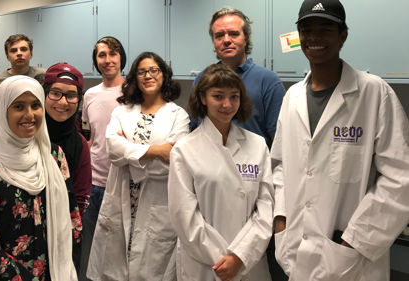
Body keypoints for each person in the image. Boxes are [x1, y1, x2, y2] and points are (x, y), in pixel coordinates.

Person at [272, 0, 409, 280]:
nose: (314, 38)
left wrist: (352, 241)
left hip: (352, 260)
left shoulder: (374, 93)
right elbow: (280, 166)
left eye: (325, 29)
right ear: (299, 37)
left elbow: (400, 178)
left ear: (342, 35)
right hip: (296, 251)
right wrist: (281, 221)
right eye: (307, 30)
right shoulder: (292, 97)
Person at [0, 76, 80, 281]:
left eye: (36, 105)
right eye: (18, 106)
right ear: (3, 111)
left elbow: (72, 219)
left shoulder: (54, 156)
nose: (29, 114)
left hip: (53, 272)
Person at [87, 52, 190, 281]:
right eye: (142, 71)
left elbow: (172, 161)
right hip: (123, 195)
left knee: (153, 267)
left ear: (164, 75)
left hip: (157, 199)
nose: (148, 76)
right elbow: (113, 150)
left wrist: (129, 154)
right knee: (116, 262)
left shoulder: (178, 115)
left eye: (154, 70)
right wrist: (154, 151)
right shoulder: (121, 111)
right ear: (135, 77)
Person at [169, 64, 274, 281]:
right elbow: (184, 217)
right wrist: (224, 259)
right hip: (205, 263)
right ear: (203, 98)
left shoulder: (257, 145)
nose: (227, 104)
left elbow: (266, 208)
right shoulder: (184, 150)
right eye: (218, 96)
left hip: (249, 262)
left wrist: (240, 257)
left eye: (234, 96)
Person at [190, 8, 285, 149]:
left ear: (246, 38)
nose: (226, 40)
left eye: (234, 34)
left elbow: (279, 141)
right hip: (207, 164)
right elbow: (193, 127)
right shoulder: (202, 79)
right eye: (219, 35)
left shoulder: (268, 81)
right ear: (214, 41)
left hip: (252, 166)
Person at [79, 36, 126, 281]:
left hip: (123, 185)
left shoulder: (133, 92)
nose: (108, 60)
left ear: (121, 57)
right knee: (90, 248)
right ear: (96, 61)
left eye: (113, 53)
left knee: (119, 252)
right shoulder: (90, 95)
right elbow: (90, 138)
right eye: (102, 55)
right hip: (93, 184)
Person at [43, 62, 91, 216]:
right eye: (55, 93)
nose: (63, 102)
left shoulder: (79, 145)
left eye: (71, 96)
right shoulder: (24, 131)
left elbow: (80, 198)